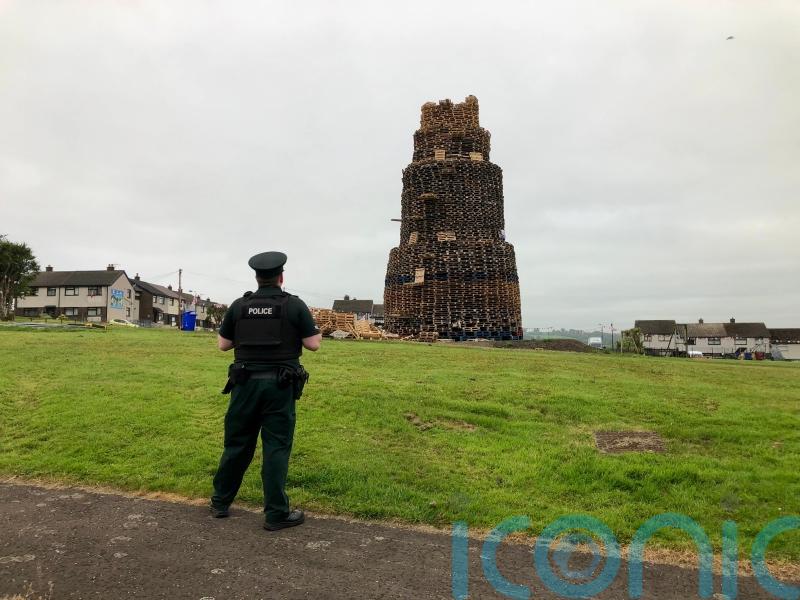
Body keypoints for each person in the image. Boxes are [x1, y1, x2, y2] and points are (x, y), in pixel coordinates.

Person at [210, 251, 322, 531]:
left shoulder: (239, 306)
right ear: (281, 277)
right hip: (280, 387)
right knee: (276, 448)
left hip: (244, 385)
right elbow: (313, 344)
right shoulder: (294, 306)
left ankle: (220, 502)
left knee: (236, 444)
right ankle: (276, 514)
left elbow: (223, 346)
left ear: (257, 277)